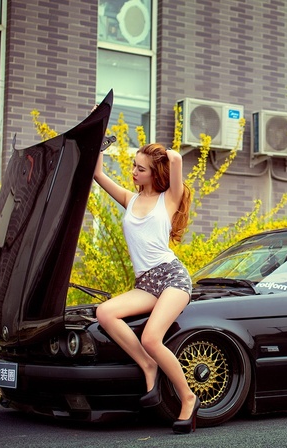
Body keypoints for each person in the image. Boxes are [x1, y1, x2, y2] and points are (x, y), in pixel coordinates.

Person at [93, 143, 199, 434]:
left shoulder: (169, 198)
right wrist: (99, 134)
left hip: (173, 279)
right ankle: (147, 366)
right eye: (134, 166)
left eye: (140, 168)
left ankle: (188, 397)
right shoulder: (130, 199)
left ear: (155, 173)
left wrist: (159, 153)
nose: (134, 172)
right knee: (105, 313)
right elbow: (97, 173)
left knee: (152, 337)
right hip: (146, 283)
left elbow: (176, 158)